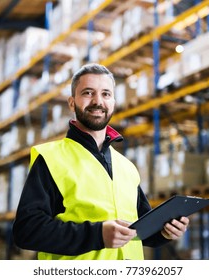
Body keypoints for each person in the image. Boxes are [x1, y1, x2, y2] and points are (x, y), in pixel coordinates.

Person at [12, 63, 189, 260]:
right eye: (88, 93)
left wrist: (164, 232)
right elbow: (27, 231)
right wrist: (97, 235)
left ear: (113, 102)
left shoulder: (126, 167)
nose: (98, 101)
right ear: (72, 103)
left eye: (106, 94)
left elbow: (140, 230)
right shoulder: (51, 159)